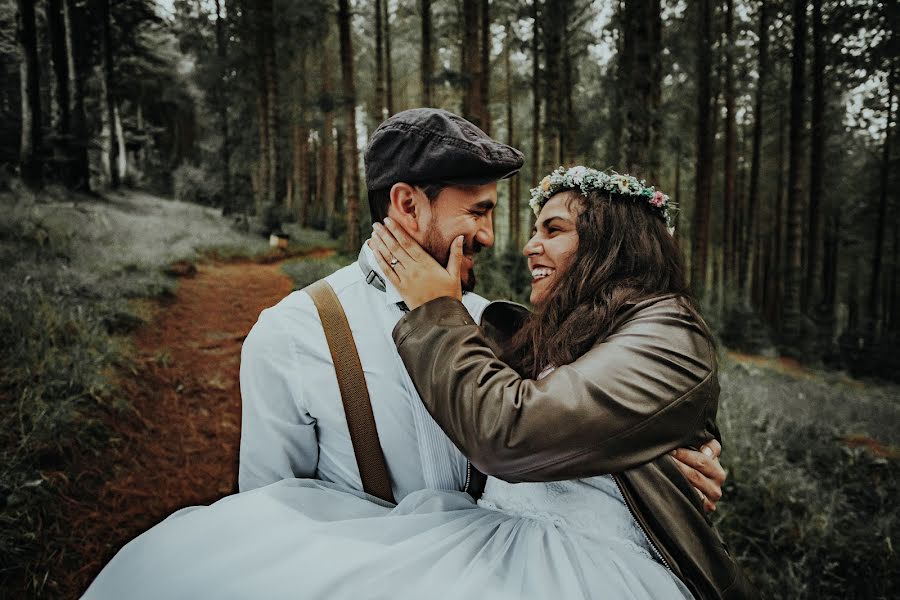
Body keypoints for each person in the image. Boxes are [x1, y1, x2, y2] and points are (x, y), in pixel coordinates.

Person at [81, 116, 729, 598]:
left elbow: (565, 418)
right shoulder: (292, 334)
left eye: (507, 217)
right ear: (406, 204)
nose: (490, 235)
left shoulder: (496, 326)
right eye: (478, 211)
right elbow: (269, 513)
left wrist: (665, 459)